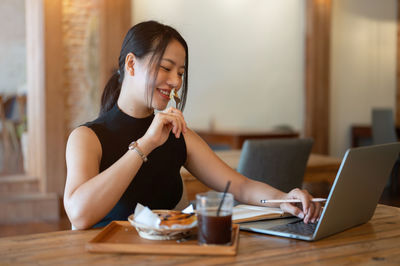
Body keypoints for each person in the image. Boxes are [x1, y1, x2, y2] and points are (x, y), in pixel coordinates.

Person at [64, 20, 321, 229]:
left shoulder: (178, 135)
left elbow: (240, 185)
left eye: (181, 73)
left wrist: (283, 199)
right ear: (131, 64)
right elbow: (79, 215)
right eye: (166, 68)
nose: (175, 81)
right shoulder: (88, 137)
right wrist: (146, 144)